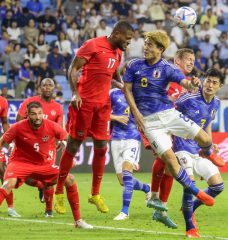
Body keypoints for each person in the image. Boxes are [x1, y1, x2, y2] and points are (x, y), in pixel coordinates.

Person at [123, 30, 224, 213]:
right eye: (145, 43)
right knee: (169, 160)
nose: (145, 47)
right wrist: (136, 113)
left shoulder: (168, 68)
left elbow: (183, 82)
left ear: (160, 49)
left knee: (206, 140)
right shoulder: (133, 65)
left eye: (150, 44)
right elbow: (127, 90)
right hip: (148, 122)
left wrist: (191, 84)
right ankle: (189, 194)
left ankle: (159, 198)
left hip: (169, 114)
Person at [54, 20, 134, 214]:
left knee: (101, 146)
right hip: (84, 103)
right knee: (74, 144)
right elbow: (73, 68)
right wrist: (75, 93)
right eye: (127, 39)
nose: (129, 43)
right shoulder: (93, 45)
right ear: (116, 34)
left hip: (103, 105)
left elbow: (114, 76)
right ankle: (58, 193)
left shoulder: (118, 52)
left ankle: (95, 194)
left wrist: (123, 87)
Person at [0, 102, 92, 228]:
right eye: (33, 114)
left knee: (70, 179)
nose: (37, 117)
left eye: (39, 114)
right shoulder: (18, 127)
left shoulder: (51, 126)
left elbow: (68, 139)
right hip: (19, 163)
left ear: (43, 114)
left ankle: (78, 221)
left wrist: (71, 156)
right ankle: (43, 196)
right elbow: (2, 141)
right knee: (8, 183)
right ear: (27, 115)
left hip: (44, 165)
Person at [149, 48, 199, 229]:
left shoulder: (183, 82)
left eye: (193, 59)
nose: (192, 62)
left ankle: (160, 209)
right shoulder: (170, 73)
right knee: (164, 158)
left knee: (170, 167)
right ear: (177, 60)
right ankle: (154, 195)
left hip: (172, 125)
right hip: (156, 121)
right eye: (188, 59)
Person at [174, 68, 225, 238]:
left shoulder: (216, 102)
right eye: (208, 81)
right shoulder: (189, 98)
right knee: (190, 185)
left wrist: (209, 144)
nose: (210, 85)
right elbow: (168, 113)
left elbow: (207, 124)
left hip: (198, 150)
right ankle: (190, 227)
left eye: (214, 82)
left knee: (218, 186)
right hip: (181, 146)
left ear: (220, 86)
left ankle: (189, 209)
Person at [16, 78, 64, 215]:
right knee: (26, 178)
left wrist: (61, 140)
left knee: (48, 179)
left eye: (50, 85)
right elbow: (18, 123)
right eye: (44, 85)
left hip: (48, 148)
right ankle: (40, 187)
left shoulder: (58, 108)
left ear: (54, 88)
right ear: (39, 88)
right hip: (29, 147)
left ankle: (48, 211)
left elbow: (60, 128)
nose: (47, 88)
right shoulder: (29, 103)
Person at [110, 84, 151, 221]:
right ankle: (147, 188)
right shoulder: (113, 94)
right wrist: (116, 118)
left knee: (127, 174)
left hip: (132, 138)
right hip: (116, 139)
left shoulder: (141, 95)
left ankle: (124, 211)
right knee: (123, 181)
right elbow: (101, 113)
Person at [0, 96, 20, 217]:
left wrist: (11, 140)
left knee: (3, 172)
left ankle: (10, 208)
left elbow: (5, 122)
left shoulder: (3, 101)